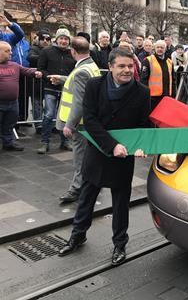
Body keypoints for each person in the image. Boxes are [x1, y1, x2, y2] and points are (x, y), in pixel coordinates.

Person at [58, 48, 151, 266]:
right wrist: (112, 145)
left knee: (120, 203)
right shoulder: (95, 85)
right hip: (99, 151)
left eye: (130, 66)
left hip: (123, 157)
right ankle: (77, 236)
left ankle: (119, 244)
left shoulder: (142, 92)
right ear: (110, 66)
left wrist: (140, 146)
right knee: (86, 198)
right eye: (122, 66)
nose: (127, 70)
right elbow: (90, 119)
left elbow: (143, 125)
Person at [51, 37, 101, 203]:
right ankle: (89, 184)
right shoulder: (91, 66)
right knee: (86, 156)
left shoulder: (81, 71)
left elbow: (79, 102)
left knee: (79, 158)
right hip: (87, 121)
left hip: (79, 124)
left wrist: (69, 125)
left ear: (73, 51)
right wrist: (63, 78)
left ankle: (76, 189)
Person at [37, 27, 76, 154]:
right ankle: (45, 142)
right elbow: (41, 68)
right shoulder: (47, 51)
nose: (64, 41)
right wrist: (50, 78)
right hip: (50, 88)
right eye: (61, 38)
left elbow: (75, 71)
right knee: (48, 115)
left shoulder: (72, 53)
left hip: (66, 89)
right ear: (56, 39)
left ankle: (64, 141)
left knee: (65, 116)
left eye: (66, 39)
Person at [0, 41, 42, 151]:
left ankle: (8, 143)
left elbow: (27, 71)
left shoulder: (14, 65)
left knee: (9, 125)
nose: (11, 53)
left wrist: (37, 72)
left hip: (13, 103)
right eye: (7, 51)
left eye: (10, 50)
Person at [140, 39, 176, 109]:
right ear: (154, 48)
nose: (159, 49)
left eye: (162, 47)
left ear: (165, 49)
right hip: (153, 97)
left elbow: (173, 80)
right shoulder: (148, 60)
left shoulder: (170, 62)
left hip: (166, 96)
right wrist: (144, 96)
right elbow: (143, 80)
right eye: (158, 47)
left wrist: (173, 95)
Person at [28, 30, 51, 133]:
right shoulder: (34, 48)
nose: (45, 41)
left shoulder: (52, 50)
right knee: (37, 104)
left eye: (48, 39)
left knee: (49, 106)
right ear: (39, 39)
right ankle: (38, 125)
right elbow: (30, 58)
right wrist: (45, 58)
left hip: (48, 83)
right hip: (36, 83)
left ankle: (50, 124)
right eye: (43, 39)